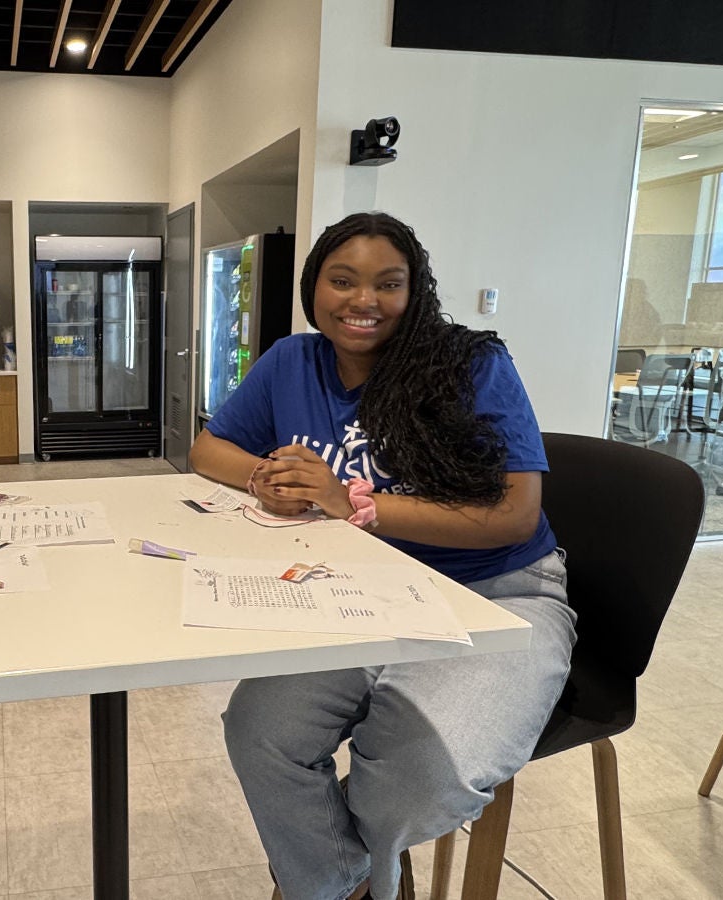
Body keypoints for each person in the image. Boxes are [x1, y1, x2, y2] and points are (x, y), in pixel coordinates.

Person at [189, 212, 576, 900]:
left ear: (415, 290)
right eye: (343, 280)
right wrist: (266, 477)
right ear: (316, 287)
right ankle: (347, 883)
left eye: (387, 284)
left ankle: (326, 879)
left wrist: (351, 504)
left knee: (414, 776)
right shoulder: (292, 360)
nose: (363, 301)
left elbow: (514, 513)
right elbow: (207, 449)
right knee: (260, 730)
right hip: (362, 591)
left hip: (501, 594)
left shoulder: (471, 365)